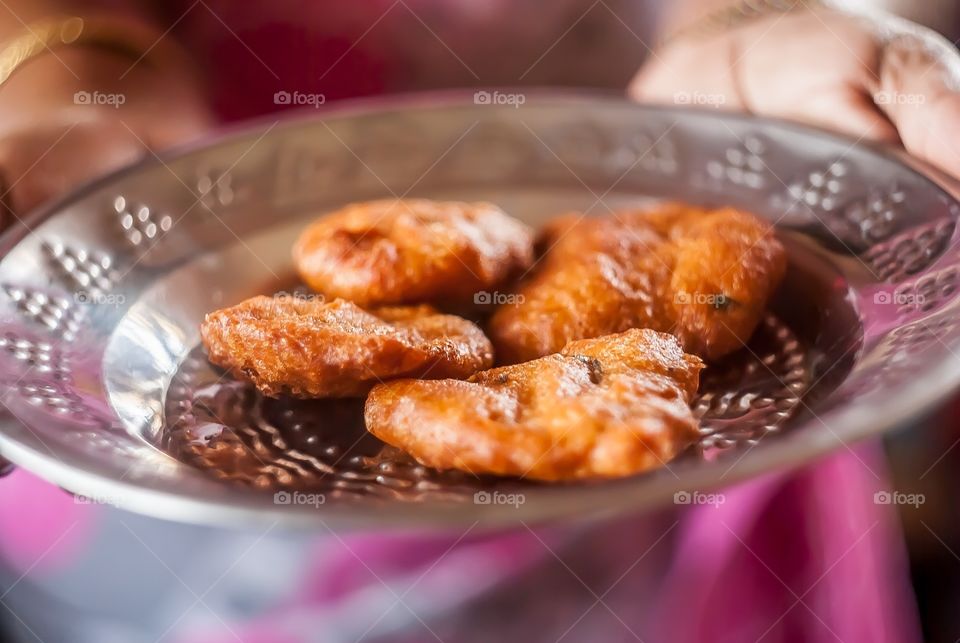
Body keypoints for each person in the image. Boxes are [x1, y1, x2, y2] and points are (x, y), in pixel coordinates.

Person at [0, 0, 956, 640]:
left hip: (712, 478)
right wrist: (66, 80)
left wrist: (765, 25)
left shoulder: (615, 309)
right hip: (174, 467)